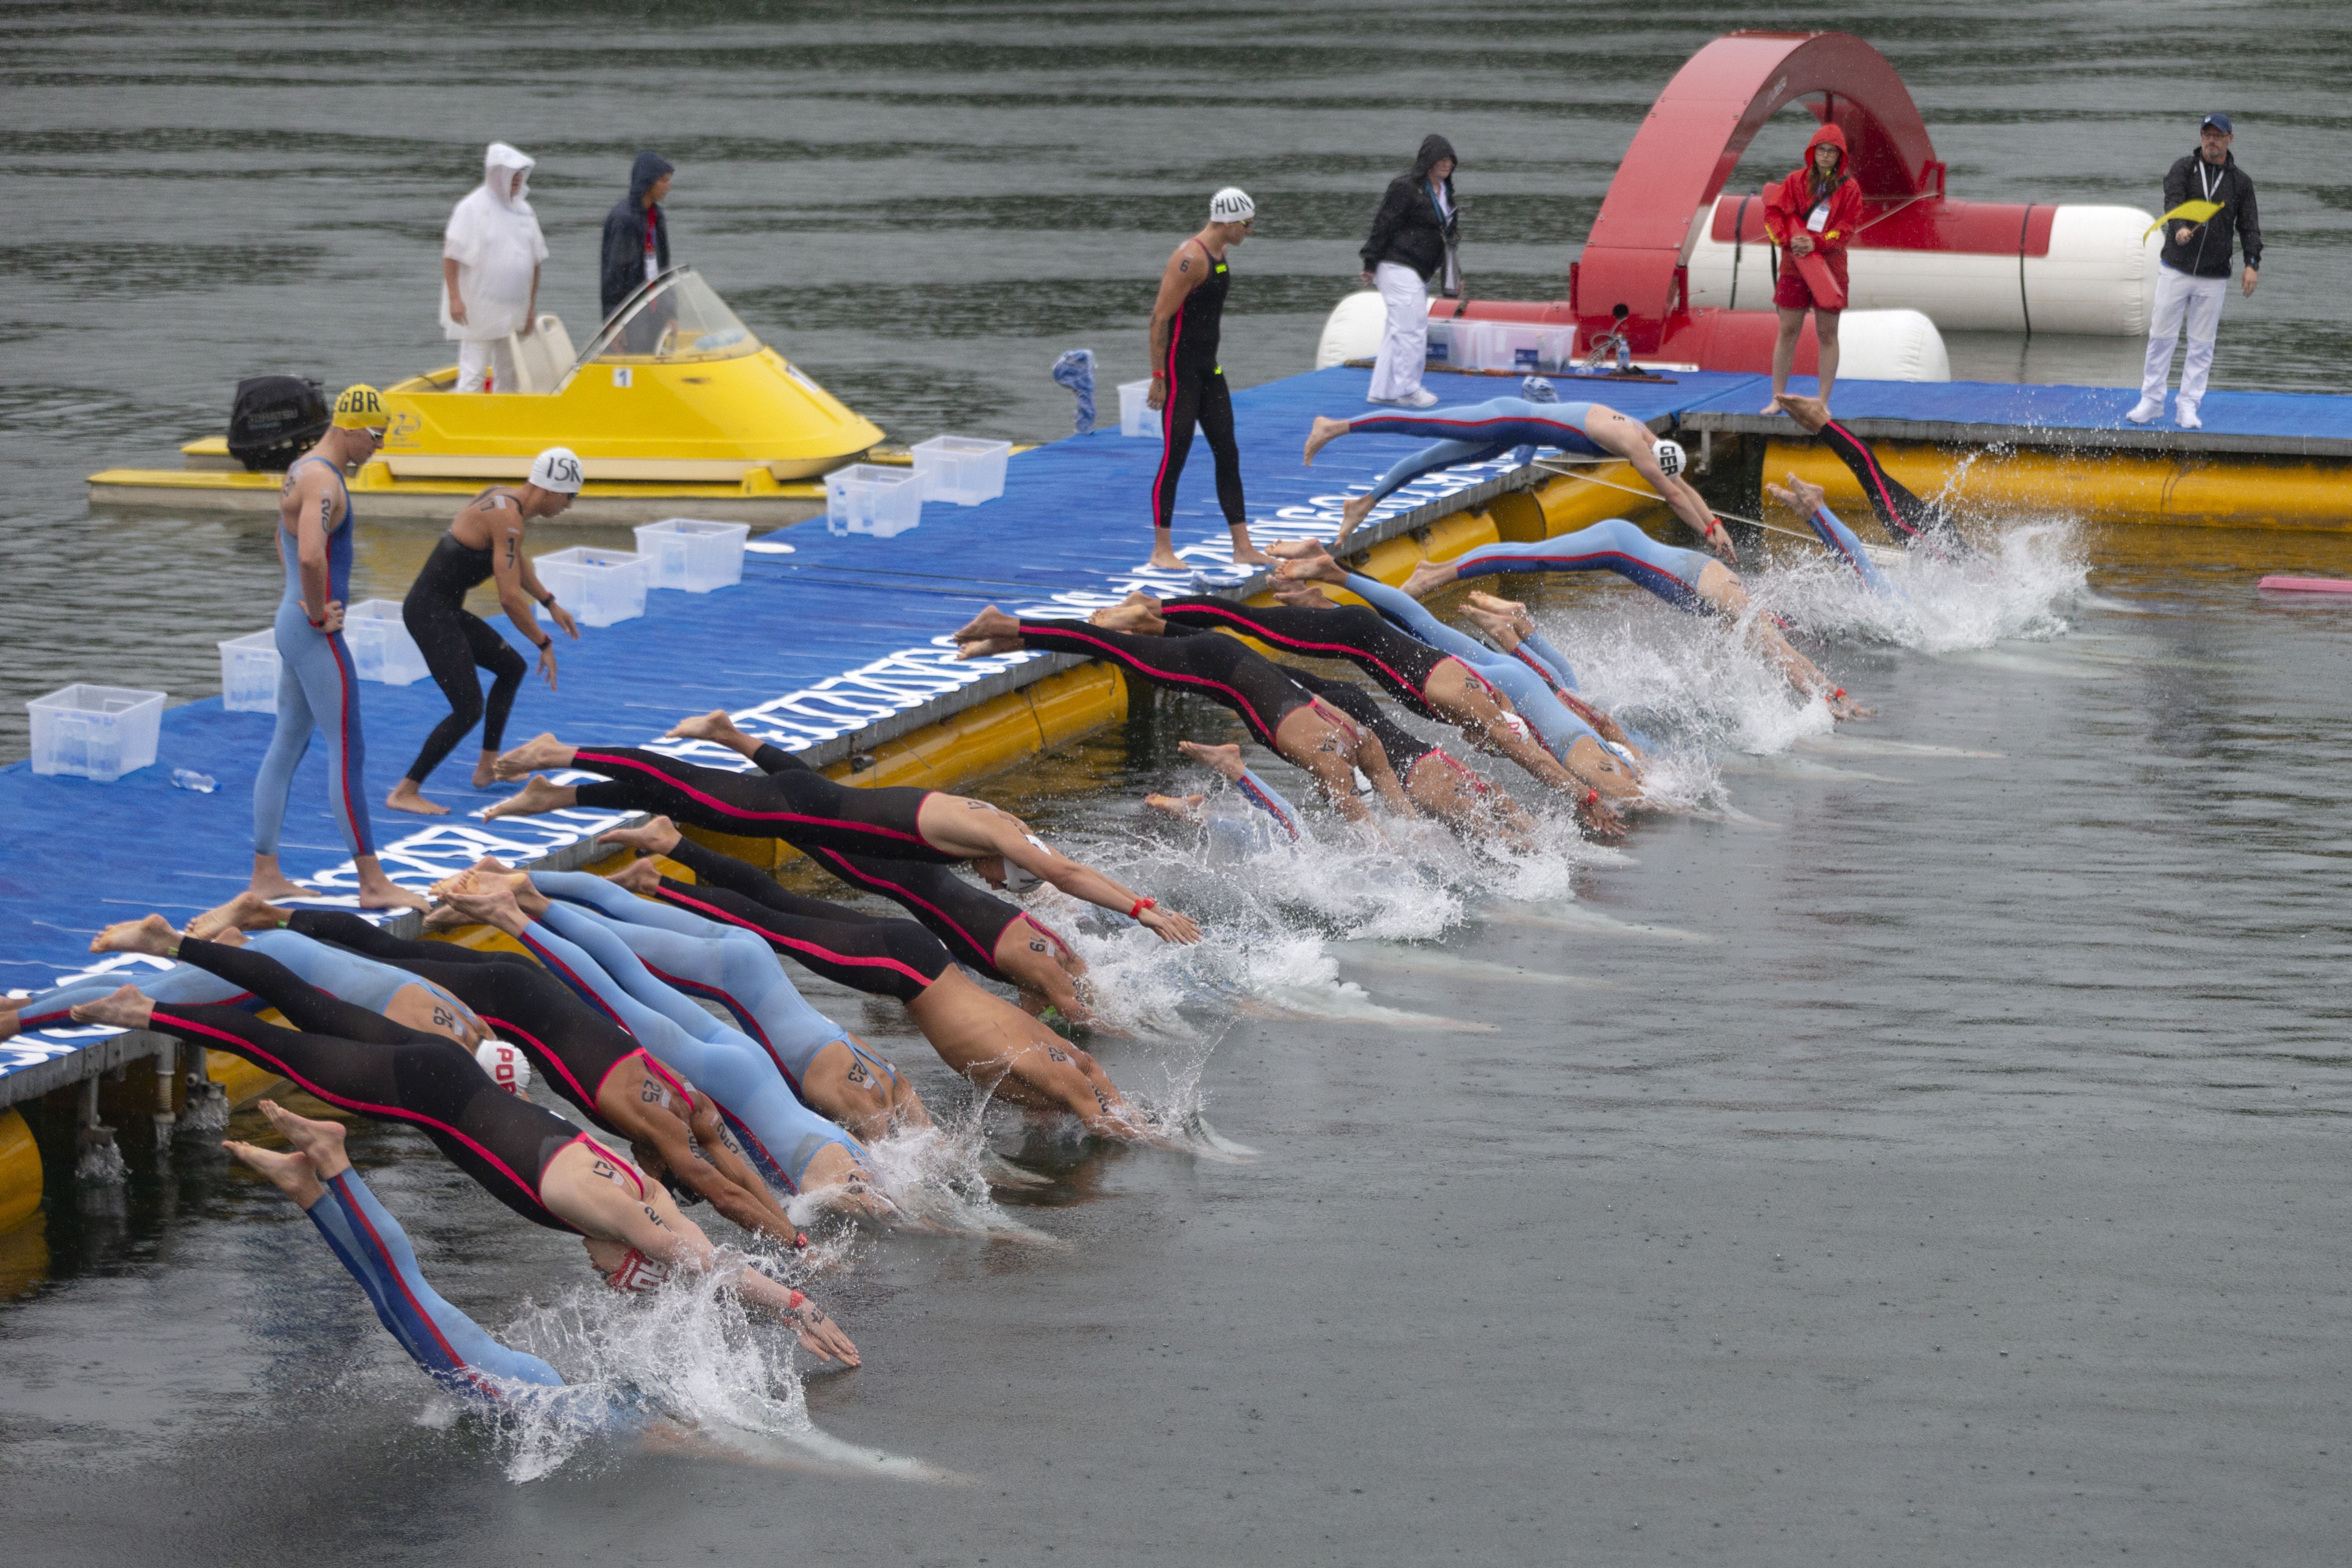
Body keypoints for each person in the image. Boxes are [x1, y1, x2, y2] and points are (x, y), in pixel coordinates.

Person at [66, 949, 860, 1362]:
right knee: (277, 1041)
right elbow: (707, 1262)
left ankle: (172, 955)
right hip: (425, 1093)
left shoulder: (640, 1189)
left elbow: (701, 1249)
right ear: (629, 1255)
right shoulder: (625, 1214)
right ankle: (145, 1010)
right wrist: (797, 1305)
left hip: (454, 1077)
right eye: (617, 1278)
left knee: (307, 1007)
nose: (602, 1280)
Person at [181, 893, 816, 1248]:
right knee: (357, 984)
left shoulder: (693, 1106)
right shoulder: (664, 1129)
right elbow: (724, 1191)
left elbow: (731, 1169)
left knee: (393, 951)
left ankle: (254, 934)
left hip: (530, 995)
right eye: (659, 1172)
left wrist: (790, 1229)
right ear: (665, 1163)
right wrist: (792, 1253)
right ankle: (260, 920)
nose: (644, 1169)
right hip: (512, 1005)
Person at [576, 822, 1167, 1142]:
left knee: (783, 909)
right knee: (771, 926)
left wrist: (1129, 1112)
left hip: (921, 959)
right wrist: (1168, 1143)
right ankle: (651, 885)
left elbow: (1092, 1084)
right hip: (905, 972)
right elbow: (1100, 1115)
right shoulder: (1063, 1072)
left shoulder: (1065, 1062)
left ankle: (671, 853)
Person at [485, 731, 1206, 944]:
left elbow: (1064, 868)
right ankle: (561, 755)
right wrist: (1143, 911)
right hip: (805, 807)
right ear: (1003, 863)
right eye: (999, 879)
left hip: (816, 807)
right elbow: (1068, 872)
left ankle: (559, 793)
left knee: (693, 799)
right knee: (691, 789)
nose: (990, 884)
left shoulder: (1001, 832)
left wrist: (1136, 905)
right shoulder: (994, 833)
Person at [660, 711, 1093, 1022]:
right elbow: (1068, 1010)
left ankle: (730, 740)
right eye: (1006, 883)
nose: (996, 888)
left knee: (813, 803)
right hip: (888, 872)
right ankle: (676, 826)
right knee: (796, 816)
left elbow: (1039, 1011)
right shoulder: (1040, 959)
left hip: (906, 871)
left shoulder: (1038, 952)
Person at [950, 601, 1411, 823]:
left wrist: (1414, 840)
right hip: (1215, 666)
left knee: (1120, 647)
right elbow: (1368, 834)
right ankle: (1004, 624)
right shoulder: (1333, 761)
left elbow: (1397, 809)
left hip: (1231, 659)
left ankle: (1008, 641)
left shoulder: (1361, 736)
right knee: (1110, 645)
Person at [1396, 520, 1868, 718]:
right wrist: (1828, 701)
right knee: (1532, 557)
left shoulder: (1744, 613)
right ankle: (1433, 574)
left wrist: (1832, 692)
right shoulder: (1738, 604)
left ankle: (1436, 573)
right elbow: (1785, 657)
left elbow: (1787, 657)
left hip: (1624, 549)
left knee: (1533, 557)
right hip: (1618, 546)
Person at [250, 385, 423, 912]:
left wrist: (298, 603)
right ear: (349, 428)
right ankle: (372, 883)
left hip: (293, 624)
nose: (379, 446)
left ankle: (265, 876)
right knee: (349, 748)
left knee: (287, 742)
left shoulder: (302, 469)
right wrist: (318, 611)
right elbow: (309, 555)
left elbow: (282, 541)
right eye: (376, 435)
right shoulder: (324, 480)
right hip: (312, 633)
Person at [388, 447, 586, 816]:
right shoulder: (508, 519)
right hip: (429, 613)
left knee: (511, 667)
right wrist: (543, 642)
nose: (570, 505)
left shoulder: (505, 502)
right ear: (551, 489)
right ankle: (405, 790)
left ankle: (487, 768)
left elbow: (513, 556)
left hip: (444, 609)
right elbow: (509, 598)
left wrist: (549, 602)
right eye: (570, 496)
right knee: (467, 708)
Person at [1304, 395, 1735, 558]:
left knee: (1432, 462)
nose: (1657, 474)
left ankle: (1364, 504)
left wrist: (1714, 524)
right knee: (1422, 426)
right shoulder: (1634, 445)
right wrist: (1704, 532)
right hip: (1504, 417)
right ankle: (1335, 426)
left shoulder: (1645, 434)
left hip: (1512, 435)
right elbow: (1673, 497)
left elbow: (1681, 487)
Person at [1145, 187, 1272, 571]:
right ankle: (1162, 550)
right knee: (1176, 455)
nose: (1250, 231)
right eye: (1247, 224)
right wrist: (1159, 377)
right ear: (1228, 222)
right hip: (1181, 372)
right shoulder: (1190, 259)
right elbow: (1159, 319)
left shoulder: (1222, 253)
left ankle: (1243, 546)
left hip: (1209, 368)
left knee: (1228, 451)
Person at [2128, 114, 2261, 431]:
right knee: (2161, 337)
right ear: (2201, 137)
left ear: (2230, 139)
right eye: (2207, 134)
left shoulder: (2240, 183)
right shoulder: (2183, 169)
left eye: (2218, 135)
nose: (2211, 140)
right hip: (2176, 268)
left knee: (2202, 344)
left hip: (2214, 276)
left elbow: (2249, 226)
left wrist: (2252, 264)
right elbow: (2173, 203)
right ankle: (2152, 401)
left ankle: (2188, 406)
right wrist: (2179, 229)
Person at [1769, 392, 1958, 552]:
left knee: (1872, 476)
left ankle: (1817, 425)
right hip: (1932, 535)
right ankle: (1819, 420)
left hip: (1939, 537)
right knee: (1871, 475)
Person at [1761, 123, 1864, 414]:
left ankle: (1823, 402)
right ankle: (1778, 398)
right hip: (1794, 267)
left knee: (1828, 334)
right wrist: (1787, 241)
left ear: (1840, 156)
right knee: (1788, 331)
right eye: (1822, 150)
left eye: (1832, 151)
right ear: (1813, 152)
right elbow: (1773, 214)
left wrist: (1816, 243)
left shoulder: (1850, 189)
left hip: (1830, 270)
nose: (1826, 155)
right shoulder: (1795, 181)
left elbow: (1846, 229)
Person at [1359, 134, 1460, 410]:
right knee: (1412, 329)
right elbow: (1384, 224)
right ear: (1428, 161)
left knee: (1397, 329)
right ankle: (1409, 389)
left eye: (1450, 160)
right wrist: (1370, 262)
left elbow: (1449, 237)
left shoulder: (1446, 193)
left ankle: (1382, 391)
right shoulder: (1405, 188)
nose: (1447, 164)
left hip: (1421, 269)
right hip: (1398, 264)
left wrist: (1453, 275)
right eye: (1441, 159)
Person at [440, 143, 548, 395]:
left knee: (509, 373)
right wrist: (455, 298)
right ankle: (466, 417)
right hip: (479, 309)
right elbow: (451, 256)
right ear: (496, 174)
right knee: (474, 373)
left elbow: (535, 261)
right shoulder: (472, 208)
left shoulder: (525, 212)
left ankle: (501, 416)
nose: (518, 179)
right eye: (512, 173)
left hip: (514, 310)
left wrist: (531, 306)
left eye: (520, 173)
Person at [600, 151, 675, 323]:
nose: (669, 187)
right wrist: (613, 321)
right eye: (664, 181)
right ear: (648, 183)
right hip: (631, 316)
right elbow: (615, 275)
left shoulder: (657, 216)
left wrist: (670, 313)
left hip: (655, 312)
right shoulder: (624, 220)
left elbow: (664, 269)